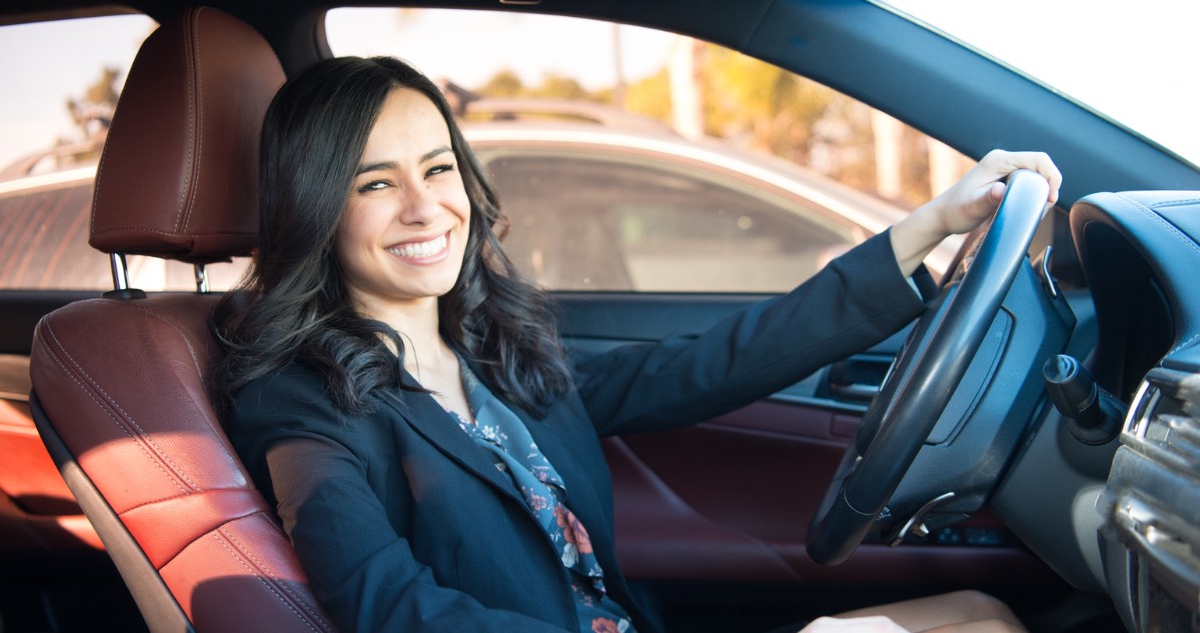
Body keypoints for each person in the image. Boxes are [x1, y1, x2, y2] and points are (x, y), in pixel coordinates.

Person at [211, 55, 1061, 633]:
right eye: (373, 183)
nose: (425, 206)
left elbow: (708, 366)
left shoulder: (487, 351)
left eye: (438, 169)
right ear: (318, 210)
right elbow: (385, 604)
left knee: (983, 614)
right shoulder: (301, 399)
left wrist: (932, 228)